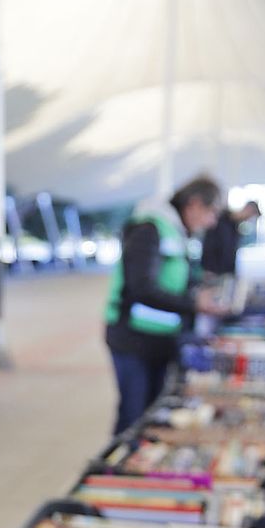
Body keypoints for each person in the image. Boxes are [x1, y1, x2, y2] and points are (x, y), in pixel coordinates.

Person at [103, 174, 222, 435]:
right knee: (133, 417)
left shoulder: (177, 232)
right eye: (211, 212)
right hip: (133, 340)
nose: (212, 222)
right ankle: (122, 459)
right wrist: (193, 303)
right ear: (194, 204)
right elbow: (141, 287)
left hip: (160, 339)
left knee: (153, 413)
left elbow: (175, 277)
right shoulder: (149, 229)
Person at [197, 196, 260, 283]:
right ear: (248, 209)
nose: (248, 219)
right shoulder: (219, 220)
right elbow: (209, 245)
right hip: (212, 272)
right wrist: (208, 269)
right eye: (250, 216)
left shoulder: (236, 228)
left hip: (226, 273)